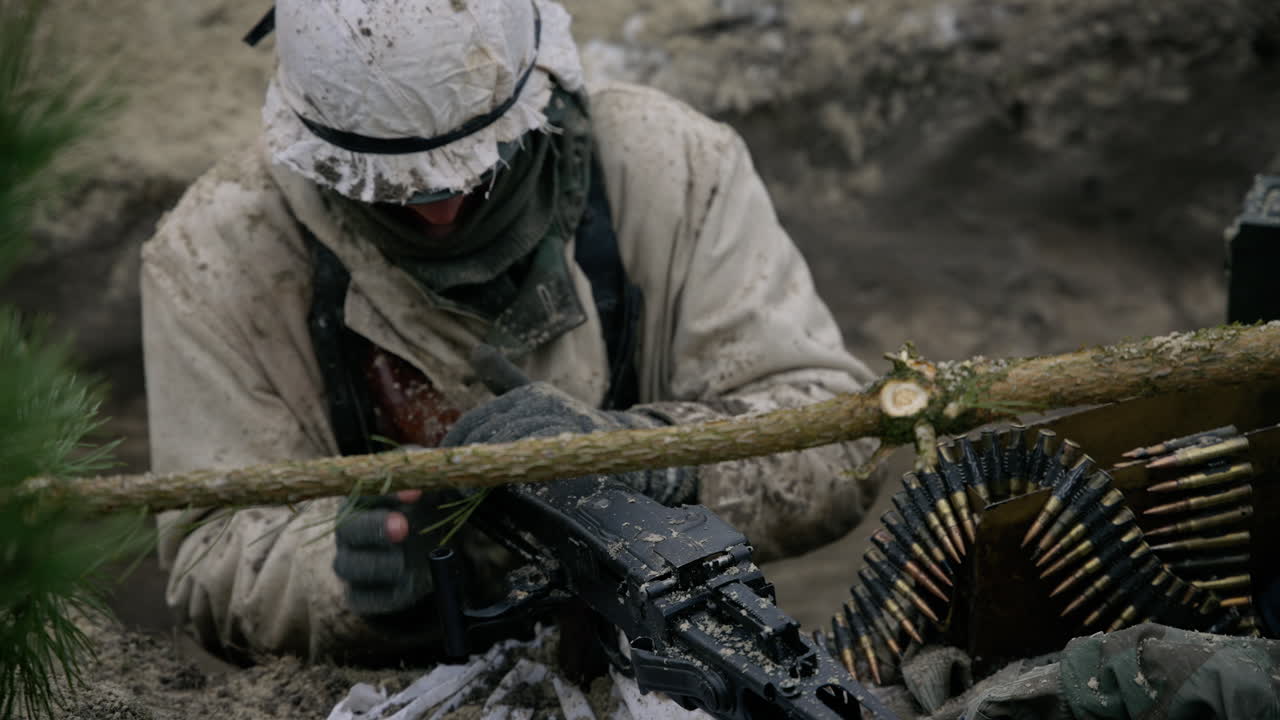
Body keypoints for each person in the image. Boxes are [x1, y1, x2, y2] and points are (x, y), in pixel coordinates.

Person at [141, 0, 882, 668]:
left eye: (477, 169)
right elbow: (212, 556)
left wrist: (647, 461)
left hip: (669, 661)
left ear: (539, 91)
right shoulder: (216, 255)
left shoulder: (673, 167)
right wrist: (351, 575)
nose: (439, 213)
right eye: (396, 193)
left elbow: (837, 440)